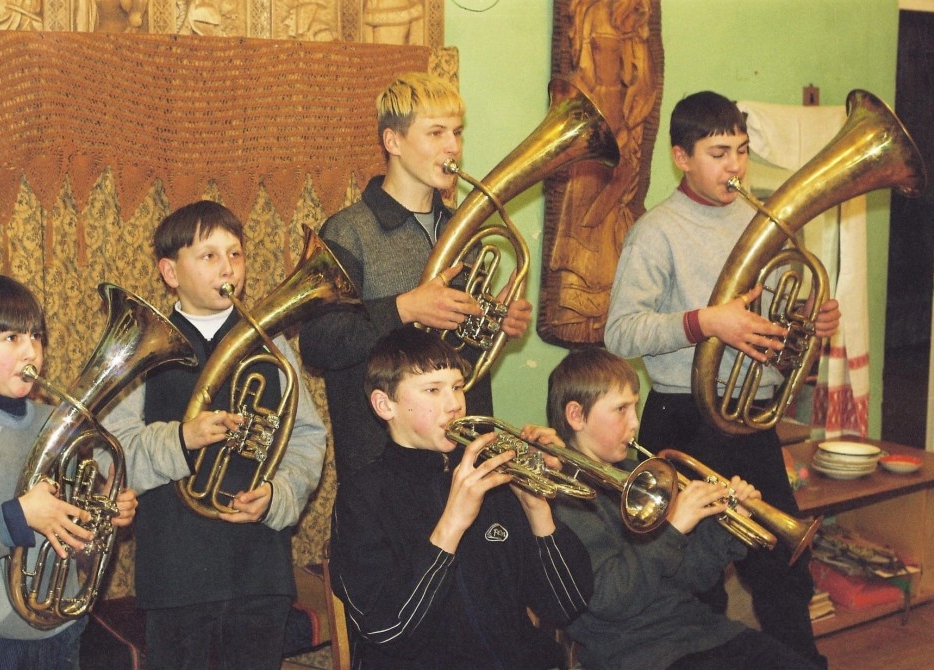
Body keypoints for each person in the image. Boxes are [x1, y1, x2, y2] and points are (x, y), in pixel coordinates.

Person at [603, 90, 840, 668]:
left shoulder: (765, 223)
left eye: (741, 150)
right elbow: (620, 334)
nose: (735, 166)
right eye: (718, 153)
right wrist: (707, 322)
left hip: (750, 418)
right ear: (681, 158)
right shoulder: (656, 232)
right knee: (692, 576)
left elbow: (775, 333)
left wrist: (807, 328)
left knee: (782, 565)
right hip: (683, 419)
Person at [100, 200, 327, 670]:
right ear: (170, 272)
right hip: (175, 577)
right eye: (209, 256)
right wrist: (182, 438)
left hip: (261, 573)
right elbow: (113, 452)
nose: (228, 268)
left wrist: (279, 494)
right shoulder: (142, 346)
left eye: (236, 254)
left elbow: (307, 437)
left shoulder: (270, 343)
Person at [298, 71, 533, 481]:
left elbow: (461, 348)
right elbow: (318, 343)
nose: (453, 146)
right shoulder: (348, 232)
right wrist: (404, 308)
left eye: (457, 132)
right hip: (381, 462)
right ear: (393, 142)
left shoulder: (463, 229)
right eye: (436, 133)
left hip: (463, 451)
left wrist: (495, 322)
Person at [328, 325, 593, 669]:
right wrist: (451, 525)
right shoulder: (362, 496)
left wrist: (536, 506)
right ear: (384, 405)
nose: (455, 404)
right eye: (432, 390)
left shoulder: (493, 476)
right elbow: (388, 630)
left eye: (457, 387)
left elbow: (565, 605)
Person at [547, 347, 820, 669]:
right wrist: (673, 529)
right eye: (621, 409)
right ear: (576, 416)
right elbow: (610, 599)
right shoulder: (565, 498)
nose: (634, 422)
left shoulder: (641, 476)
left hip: (699, 632)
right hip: (636, 652)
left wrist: (727, 526)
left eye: (635, 407)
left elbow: (692, 578)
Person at [0, 274, 137, 670]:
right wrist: (17, 516)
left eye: (36, 336)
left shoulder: (58, 424)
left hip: (60, 633)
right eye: (11, 338)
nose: (30, 351)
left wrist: (102, 512)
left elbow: (71, 528)